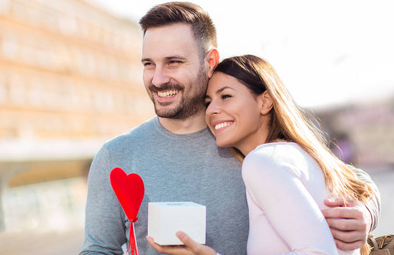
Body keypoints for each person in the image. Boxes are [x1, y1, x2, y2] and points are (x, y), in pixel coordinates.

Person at [80, 2, 380, 255]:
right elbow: (98, 248)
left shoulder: (246, 139)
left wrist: (365, 213)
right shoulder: (115, 155)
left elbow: (353, 181)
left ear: (210, 61)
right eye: (148, 64)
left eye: (173, 62)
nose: (158, 79)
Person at [147, 55, 378, 255]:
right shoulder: (298, 155)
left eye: (225, 96)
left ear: (265, 101)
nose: (212, 110)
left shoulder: (262, 161)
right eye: (208, 102)